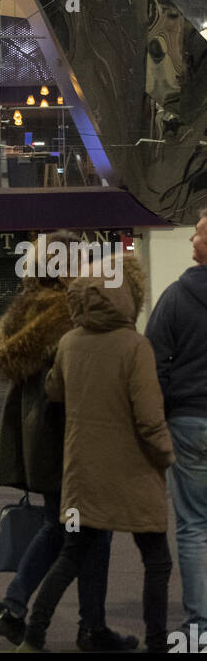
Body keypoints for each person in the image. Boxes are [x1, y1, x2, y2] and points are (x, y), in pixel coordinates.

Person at [0, 235, 135, 652]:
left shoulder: (27, 308)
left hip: (42, 441)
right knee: (90, 532)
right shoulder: (65, 314)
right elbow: (74, 381)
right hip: (68, 437)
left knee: (63, 527)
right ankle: (78, 626)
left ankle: (20, 611)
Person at [17, 261, 175, 654]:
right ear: (126, 298)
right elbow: (149, 416)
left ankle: (33, 635)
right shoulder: (135, 346)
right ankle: (157, 642)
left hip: (83, 474)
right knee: (156, 560)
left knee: (71, 556)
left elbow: (54, 391)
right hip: (134, 473)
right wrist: (166, 455)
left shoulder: (71, 342)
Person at [146, 210, 207, 638]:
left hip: (190, 423)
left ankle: (200, 625)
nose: (191, 241)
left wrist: (164, 411)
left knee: (193, 527)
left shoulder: (176, 296)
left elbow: (154, 363)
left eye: (198, 234)